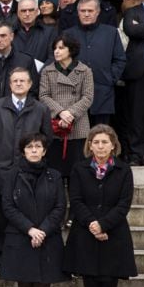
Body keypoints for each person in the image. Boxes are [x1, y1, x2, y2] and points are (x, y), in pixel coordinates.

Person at [63, 125, 137, 287]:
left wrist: (104, 225)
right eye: (96, 142)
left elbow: (124, 204)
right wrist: (92, 224)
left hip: (113, 236)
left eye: (105, 142)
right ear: (90, 145)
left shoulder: (124, 170)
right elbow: (75, 200)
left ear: (113, 145)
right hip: (86, 235)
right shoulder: (79, 169)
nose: (101, 146)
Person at [0, 132, 68, 287]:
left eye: (38, 146)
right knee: (24, 286)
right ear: (23, 151)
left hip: (47, 239)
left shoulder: (54, 176)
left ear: (44, 150)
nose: (34, 150)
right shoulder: (12, 175)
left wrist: (43, 230)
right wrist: (29, 229)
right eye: (29, 147)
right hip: (20, 237)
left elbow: (60, 207)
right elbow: (8, 206)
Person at [39, 35, 94, 179]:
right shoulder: (47, 71)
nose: (56, 51)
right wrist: (61, 112)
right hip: (55, 123)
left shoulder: (85, 70)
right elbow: (44, 95)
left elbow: (88, 97)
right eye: (55, 48)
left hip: (78, 124)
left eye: (61, 48)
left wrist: (70, 113)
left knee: (77, 169)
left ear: (71, 50)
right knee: (55, 169)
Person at [64, 0, 126, 126]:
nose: (86, 14)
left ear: (97, 12)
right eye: (83, 11)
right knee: (77, 138)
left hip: (103, 93)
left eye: (90, 11)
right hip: (74, 95)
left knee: (101, 135)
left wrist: (110, 78)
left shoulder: (111, 32)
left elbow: (120, 59)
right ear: (78, 12)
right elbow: (62, 60)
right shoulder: (67, 34)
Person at [0, 67, 52, 170]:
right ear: (10, 85)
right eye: (15, 81)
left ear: (30, 84)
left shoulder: (41, 109)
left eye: (22, 81)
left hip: (30, 168)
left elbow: (47, 139)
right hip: (1, 168)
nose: (18, 84)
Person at [123, 0, 144, 165]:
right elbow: (131, 30)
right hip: (142, 69)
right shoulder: (132, 12)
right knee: (137, 114)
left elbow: (139, 30)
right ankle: (137, 154)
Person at [13, 0, 57, 66]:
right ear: (18, 13)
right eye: (23, 11)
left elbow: (53, 57)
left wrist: (40, 73)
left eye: (31, 10)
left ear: (37, 12)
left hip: (42, 75)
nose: (27, 14)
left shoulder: (50, 32)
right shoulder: (10, 32)